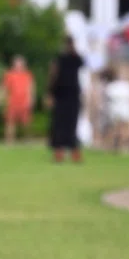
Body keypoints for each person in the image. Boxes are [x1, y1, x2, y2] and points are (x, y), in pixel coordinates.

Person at [46, 35, 85, 163]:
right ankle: (59, 152)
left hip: (72, 95)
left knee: (71, 124)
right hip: (61, 95)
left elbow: (81, 63)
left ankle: (74, 151)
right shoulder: (59, 59)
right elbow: (53, 75)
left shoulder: (75, 59)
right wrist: (50, 93)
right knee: (59, 124)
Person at [1, 55, 34, 145]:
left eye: (20, 63)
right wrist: (1, 98)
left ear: (24, 64)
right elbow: (4, 87)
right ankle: (9, 141)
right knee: (10, 122)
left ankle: (27, 140)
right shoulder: (9, 74)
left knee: (26, 124)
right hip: (12, 102)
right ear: (13, 64)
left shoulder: (28, 74)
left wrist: (31, 99)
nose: (19, 65)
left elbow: (30, 88)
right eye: (17, 63)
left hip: (24, 102)